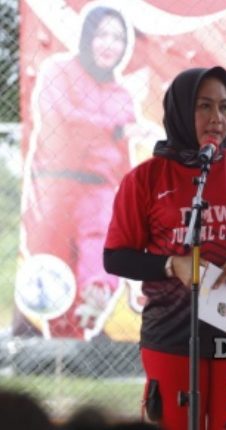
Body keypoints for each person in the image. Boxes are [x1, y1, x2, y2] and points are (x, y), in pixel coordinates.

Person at [103, 65, 226, 430]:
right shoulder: (145, 179)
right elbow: (116, 257)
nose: (217, 118)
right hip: (173, 334)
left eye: (225, 107)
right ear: (179, 111)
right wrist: (171, 265)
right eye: (204, 106)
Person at [19, 3, 139, 339]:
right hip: (53, 183)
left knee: (102, 234)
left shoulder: (122, 96)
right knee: (53, 267)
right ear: (87, 38)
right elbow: (60, 115)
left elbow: (122, 156)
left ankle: (97, 291)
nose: (109, 45)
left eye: (118, 38)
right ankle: (62, 339)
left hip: (98, 186)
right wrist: (114, 127)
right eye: (102, 35)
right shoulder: (58, 71)